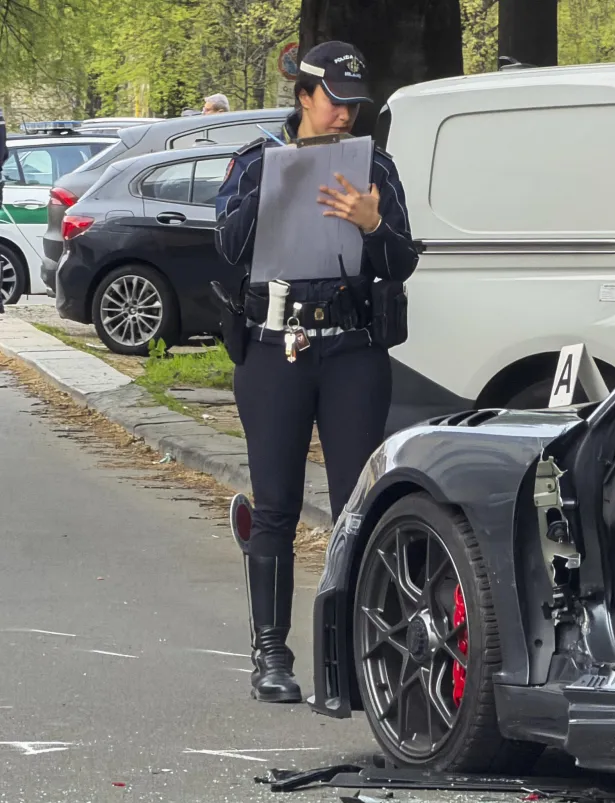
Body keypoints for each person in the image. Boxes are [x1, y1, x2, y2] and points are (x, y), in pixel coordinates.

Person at [213, 40, 419, 703]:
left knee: (357, 507)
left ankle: (355, 660)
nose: (345, 117)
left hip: (352, 345)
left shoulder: (374, 165)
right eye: (334, 102)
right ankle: (271, 654)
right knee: (274, 502)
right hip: (275, 345)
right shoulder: (253, 162)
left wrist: (374, 220)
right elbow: (227, 246)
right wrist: (278, 186)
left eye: (355, 106)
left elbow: (402, 259)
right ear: (304, 98)